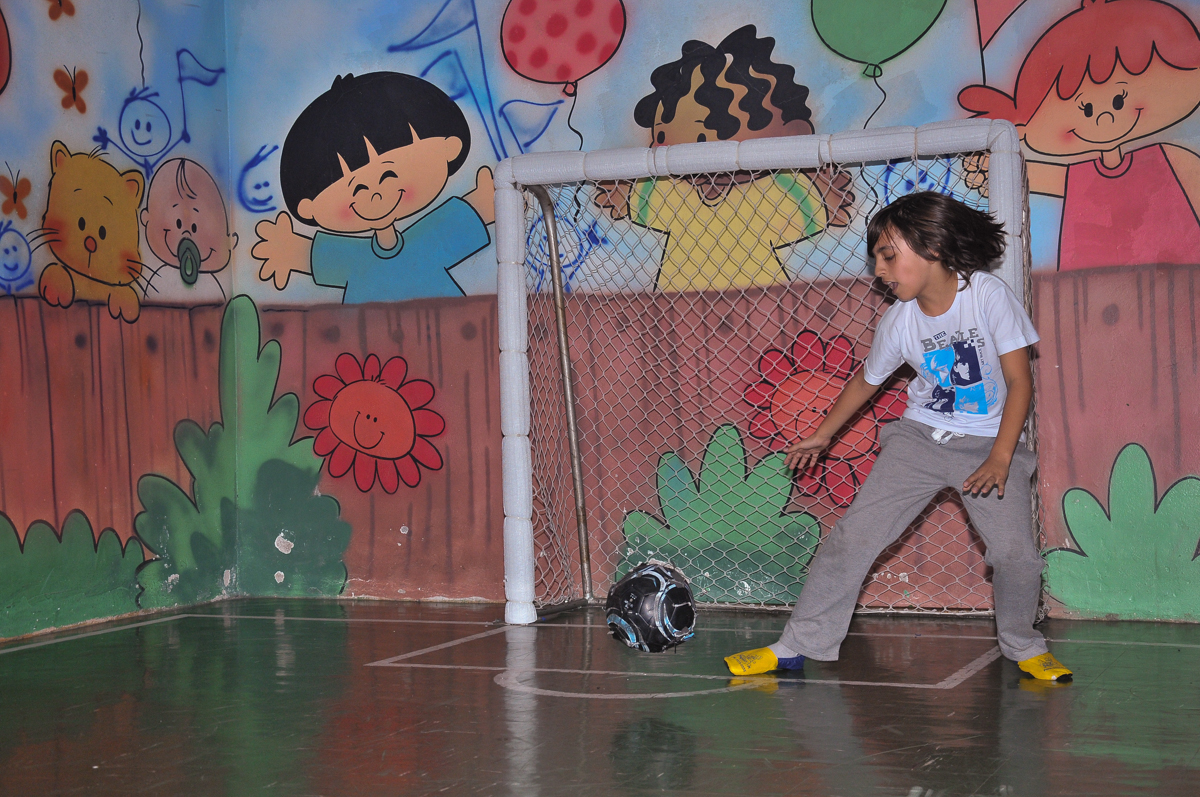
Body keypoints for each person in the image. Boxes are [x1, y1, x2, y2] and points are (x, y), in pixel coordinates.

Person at [724, 192, 1072, 682]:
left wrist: (999, 457)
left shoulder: (988, 296)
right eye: (876, 261)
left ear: (933, 246)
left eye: (889, 256)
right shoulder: (899, 322)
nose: (881, 271)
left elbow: (1020, 382)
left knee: (1015, 555)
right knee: (853, 538)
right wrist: (822, 436)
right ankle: (796, 645)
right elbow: (866, 382)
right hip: (918, 441)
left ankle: (1023, 645)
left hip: (991, 444)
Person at [594, 25, 853, 292]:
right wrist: (620, 190)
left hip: (759, 306)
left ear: (793, 133)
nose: (662, 145)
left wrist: (827, 193)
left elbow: (819, 208)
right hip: (682, 309)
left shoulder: (772, 194)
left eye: (703, 140)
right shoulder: (671, 194)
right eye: (661, 136)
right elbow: (630, 199)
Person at [958, 0, 1200, 271]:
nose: (1105, 118)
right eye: (1086, 108)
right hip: (1087, 287)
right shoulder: (1078, 175)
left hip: (1178, 276)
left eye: (1119, 100)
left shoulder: (1169, 158)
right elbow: (1030, 174)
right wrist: (994, 169)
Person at [252, 71, 494, 303]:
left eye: (388, 174)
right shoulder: (354, 258)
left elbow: (473, 214)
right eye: (355, 189)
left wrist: (488, 201)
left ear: (448, 148)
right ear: (308, 208)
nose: (374, 194)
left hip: (443, 329)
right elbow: (308, 256)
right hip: (366, 342)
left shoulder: (430, 239)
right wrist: (287, 250)